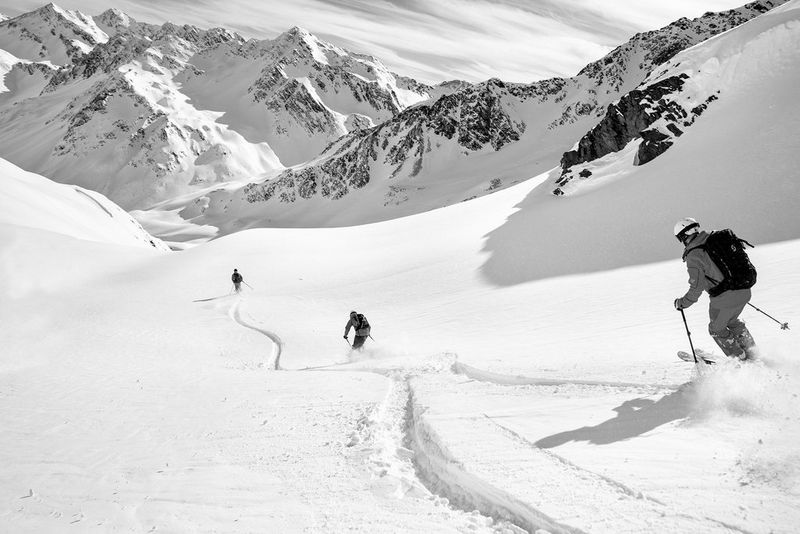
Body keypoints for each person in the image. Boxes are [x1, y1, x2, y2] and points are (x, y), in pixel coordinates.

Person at [673, 218, 757, 360]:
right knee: (731, 321)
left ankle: (740, 359)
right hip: (744, 289)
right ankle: (752, 351)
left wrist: (682, 303)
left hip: (726, 297)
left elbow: (696, 287)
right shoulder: (714, 239)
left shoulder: (694, 255)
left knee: (716, 329)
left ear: (683, 236)